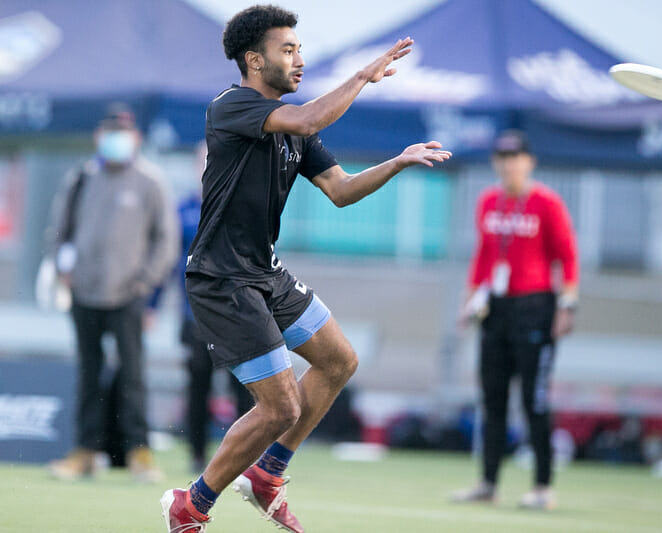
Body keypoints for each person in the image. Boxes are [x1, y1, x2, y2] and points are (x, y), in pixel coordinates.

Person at [160, 5, 451, 533]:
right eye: (287, 50)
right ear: (254, 60)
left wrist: (399, 161)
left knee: (339, 361)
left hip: (264, 273)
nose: (299, 59)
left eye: (299, 48)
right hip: (222, 279)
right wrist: (363, 75)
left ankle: (267, 476)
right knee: (281, 407)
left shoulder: (297, 126)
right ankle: (192, 504)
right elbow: (312, 116)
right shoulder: (231, 105)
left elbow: (340, 191)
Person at [45, 104, 178, 482]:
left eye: (122, 133)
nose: (116, 140)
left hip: (128, 294)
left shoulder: (150, 181)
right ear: (98, 138)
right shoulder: (81, 178)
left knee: (133, 374)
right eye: (109, 133)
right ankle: (85, 451)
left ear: (135, 139)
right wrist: (61, 268)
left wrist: (144, 283)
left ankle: (139, 452)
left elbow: (165, 240)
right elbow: (58, 230)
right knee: (88, 373)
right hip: (85, 291)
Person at [451, 130, 579, 510]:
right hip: (497, 309)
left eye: (516, 156)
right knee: (492, 399)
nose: (509, 163)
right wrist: (469, 300)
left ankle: (542, 486)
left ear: (529, 161)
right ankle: (488, 483)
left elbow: (567, 256)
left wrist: (567, 306)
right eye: (503, 157)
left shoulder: (546, 203)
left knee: (534, 399)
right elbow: (484, 256)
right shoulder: (489, 201)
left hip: (535, 307)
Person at [180, 142, 253, 473]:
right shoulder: (182, 211)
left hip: (237, 314)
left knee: (245, 388)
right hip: (194, 314)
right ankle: (197, 455)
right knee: (198, 388)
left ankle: (243, 456)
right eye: (203, 161)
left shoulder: (241, 205)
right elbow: (170, 264)